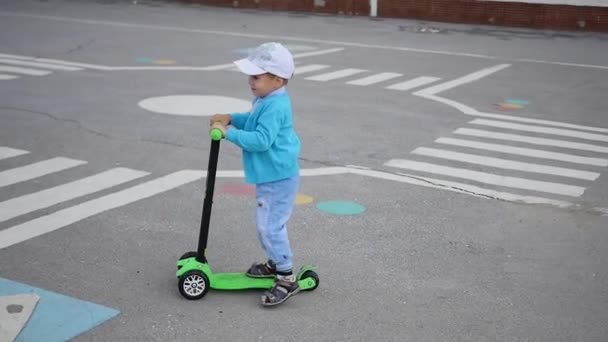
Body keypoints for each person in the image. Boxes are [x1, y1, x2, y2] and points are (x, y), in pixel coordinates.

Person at [209, 42, 301, 306]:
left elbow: (261, 140)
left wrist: (229, 133)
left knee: (270, 227)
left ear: (277, 79)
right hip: (272, 175)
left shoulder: (275, 106)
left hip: (278, 178)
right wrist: (231, 118)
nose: (250, 81)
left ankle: (286, 277)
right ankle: (275, 264)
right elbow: (252, 120)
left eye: (256, 76)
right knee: (266, 227)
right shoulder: (266, 99)